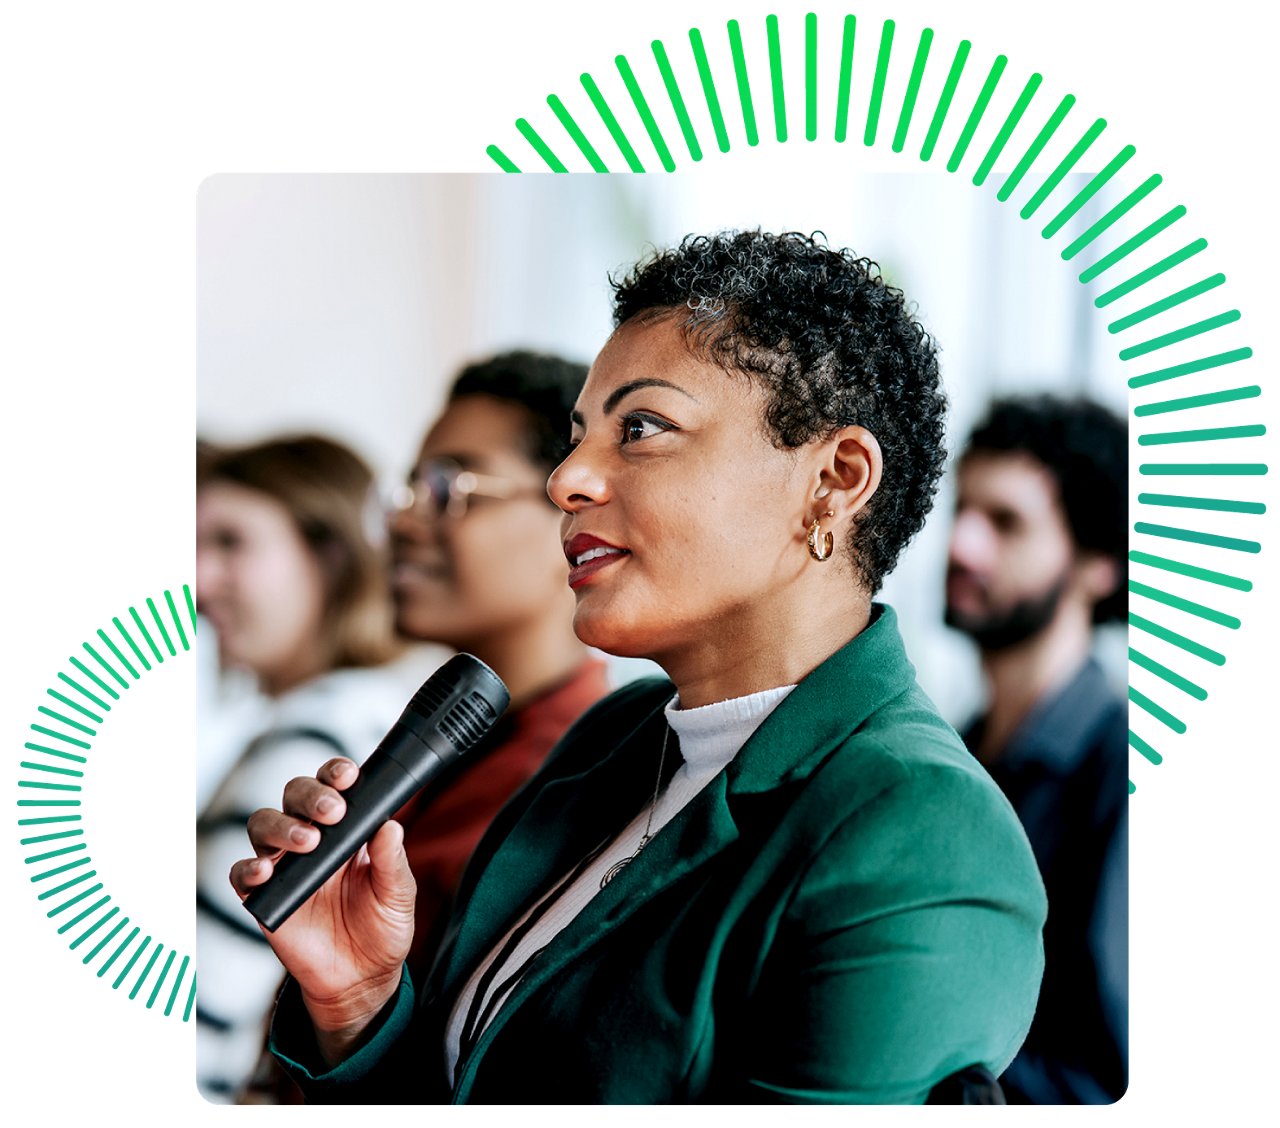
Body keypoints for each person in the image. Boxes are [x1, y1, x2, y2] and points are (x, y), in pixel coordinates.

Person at [231, 230, 1048, 1104]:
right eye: (578, 438)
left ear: (834, 480)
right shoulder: (613, 743)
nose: (567, 480)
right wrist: (357, 1003)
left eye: (642, 428)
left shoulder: (925, 832)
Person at [195, 434, 429, 1101]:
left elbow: (202, 1003)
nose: (199, 579)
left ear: (330, 555)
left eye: (231, 542)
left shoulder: (322, 728)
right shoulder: (356, 708)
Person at [384, 350, 610, 980]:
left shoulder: (568, 782)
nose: (402, 520)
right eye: (412, 488)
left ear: (572, 509)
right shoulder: (460, 740)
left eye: (451, 487)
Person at [943, 395, 1128, 1104]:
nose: (963, 545)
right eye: (963, 510)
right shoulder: (953, 751)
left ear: (1098, 563)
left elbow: (1105, 1077)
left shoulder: (1123, 771)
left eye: (1006, 521)